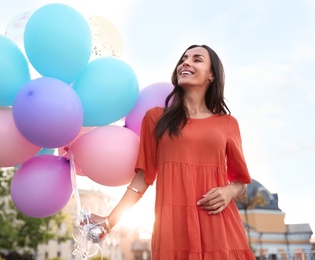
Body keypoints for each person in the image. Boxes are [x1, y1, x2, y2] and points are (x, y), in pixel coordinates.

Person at [89, 44, 255, 259]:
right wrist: (110, 221)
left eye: (197, 59)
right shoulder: (156, 118)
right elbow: (143, 178)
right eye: (184, 59)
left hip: (219, 224)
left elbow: (240, 181)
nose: (186, 62)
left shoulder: (228, 123)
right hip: (173, 227)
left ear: (212, 74)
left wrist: (228, 192)